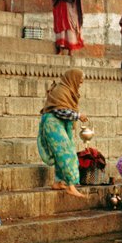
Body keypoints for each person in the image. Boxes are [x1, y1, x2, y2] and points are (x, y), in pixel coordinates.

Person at [37, 68, 89, 198]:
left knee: (62, 151)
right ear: (73, 79)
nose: (80, 84)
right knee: (66, 153)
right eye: (79, 81)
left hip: (59, 123)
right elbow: (59, 111)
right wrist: (78, 116)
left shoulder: (68, 90)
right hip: (52, 123)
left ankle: (58, 182)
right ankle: (71, 186)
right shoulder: (61, 90)